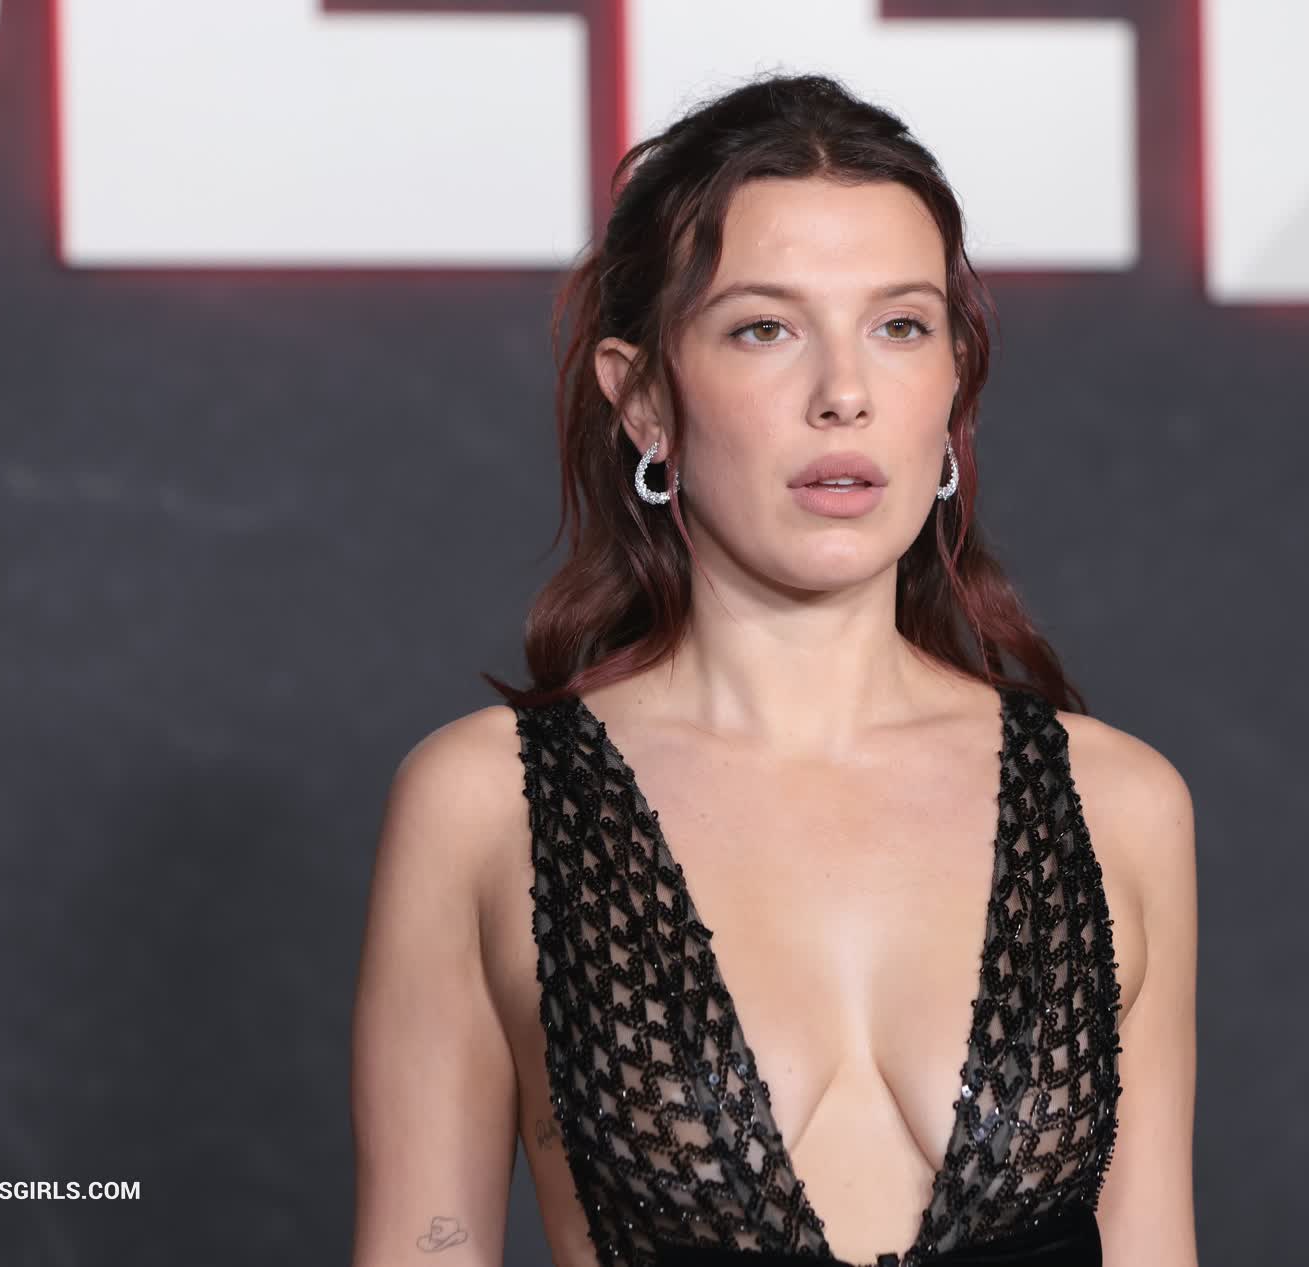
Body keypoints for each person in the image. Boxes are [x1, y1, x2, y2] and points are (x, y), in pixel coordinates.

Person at [350, 74, 1198, 1267]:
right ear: (644, 398)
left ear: (953, 383)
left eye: (900, 327)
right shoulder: (483, 805)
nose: (843, 394)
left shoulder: (1120, 805)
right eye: (764, 328)